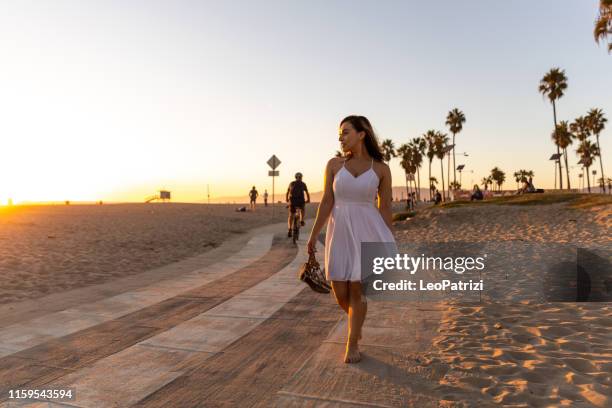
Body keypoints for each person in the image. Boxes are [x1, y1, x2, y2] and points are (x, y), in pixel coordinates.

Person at [307, 115, 395, 364]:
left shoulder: (381, 169)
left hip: (368, 230)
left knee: (357, 289)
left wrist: (387, 241)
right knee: (339, 291)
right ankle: (357, 322)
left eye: (346, 132)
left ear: (362, 134)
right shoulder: (334, 165)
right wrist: (314, 235)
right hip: (340, 230)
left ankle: (352, 342)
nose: (341, 137)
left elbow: (385, 206)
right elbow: (326, 201)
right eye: (340, 134)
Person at [286, 172, 311, 237]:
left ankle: (289, 229)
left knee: (291, 215)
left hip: (292, 201)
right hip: (300, 201)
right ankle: (302, 220)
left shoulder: (291, 183)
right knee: (303, 209)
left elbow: (287, 193)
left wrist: (287, 200)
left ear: (295, 177)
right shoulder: (303, 184)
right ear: (301, 177)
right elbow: (307, 193)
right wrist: (308, 200)